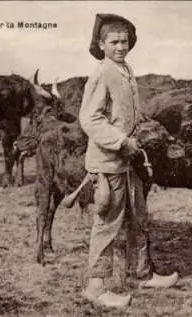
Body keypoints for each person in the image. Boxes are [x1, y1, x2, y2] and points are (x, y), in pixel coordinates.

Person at [79, 13, 178, 308]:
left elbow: (125, 114)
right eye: (114, 42)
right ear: (101, 43)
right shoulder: (102, 73)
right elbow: (89, 118)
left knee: (138, 217)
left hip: (127, 161)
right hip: (108, 162)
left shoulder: (125, 69)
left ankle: (141, 273)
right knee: (108, 224)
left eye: (125, 41)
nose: (121, 46)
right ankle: (96, 288)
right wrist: (121, 141)